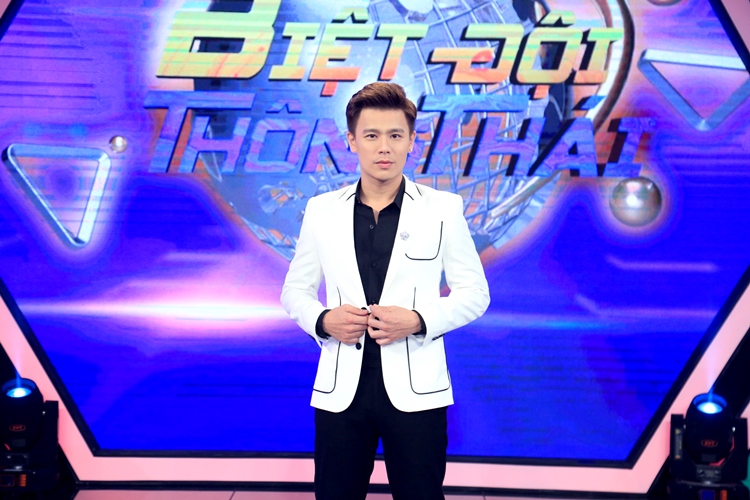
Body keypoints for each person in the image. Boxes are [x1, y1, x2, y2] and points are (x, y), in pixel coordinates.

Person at [281, 82, 490, 500]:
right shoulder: (322, 211)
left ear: (411, 141)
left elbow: (474, 293)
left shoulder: (443, 208)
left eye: (395, 135)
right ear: (352, 141)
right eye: (372, 135)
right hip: (342, 390)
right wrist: (323, 320)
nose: (384, 147)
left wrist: (418, 320)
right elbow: (295, 291)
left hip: (418, 391)